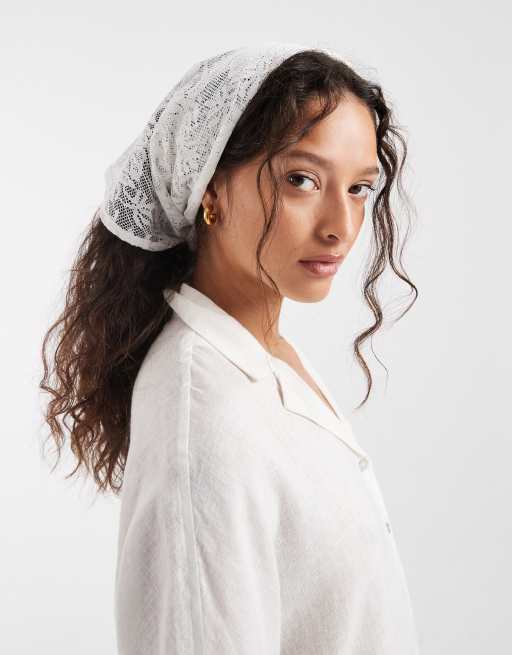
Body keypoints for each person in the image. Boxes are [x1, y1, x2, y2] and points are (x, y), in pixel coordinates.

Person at [39, 42, 421, 654]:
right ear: (210, 189)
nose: (342, 227)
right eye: (302, 180)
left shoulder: (265, 358)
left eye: (358, 188)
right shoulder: (206, 417)